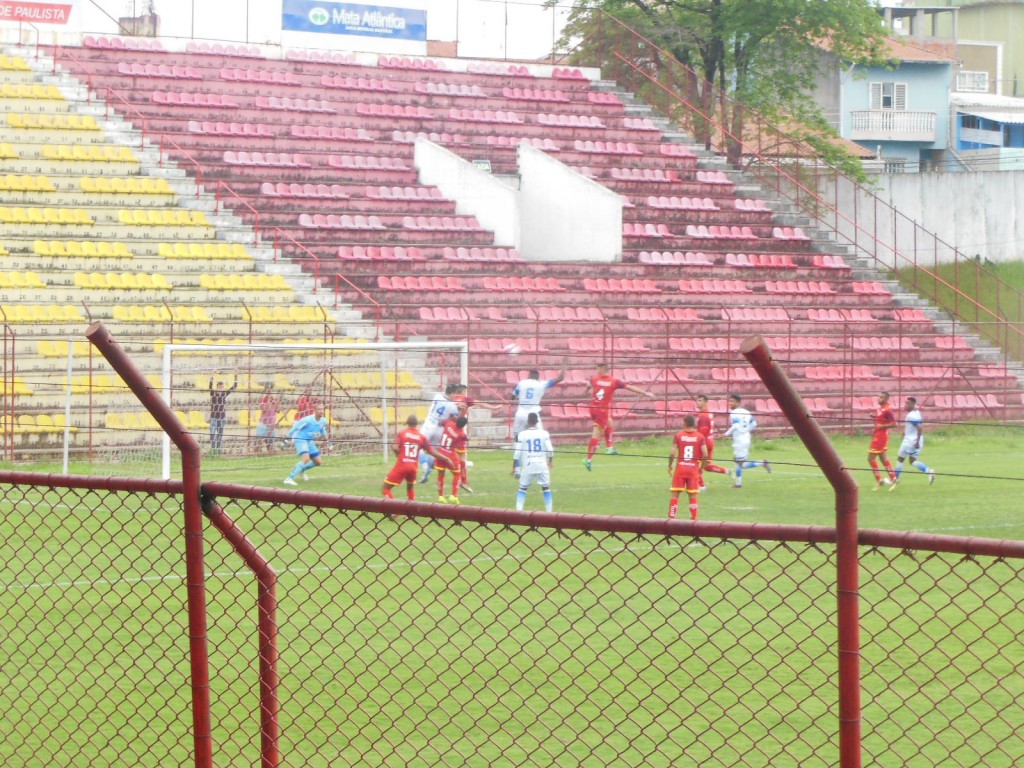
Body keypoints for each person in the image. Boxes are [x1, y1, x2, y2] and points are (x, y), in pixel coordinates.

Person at [583, 362, 654, 470]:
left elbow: (588, 385)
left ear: (603, 370)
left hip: (592, 409)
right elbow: (630, 387)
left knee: (610, 422)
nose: (597, 371)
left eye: (598, 369)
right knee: (596, 435)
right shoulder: (613, 381)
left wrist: (586, 390)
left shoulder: (594, 379)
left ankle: (609, 447)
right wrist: (645, 393)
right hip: (602, 411)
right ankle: (588, 459)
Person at [449, 383, 502, 493]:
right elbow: (480, 403)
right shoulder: (465, 399)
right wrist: (494, 407)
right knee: (462, 457)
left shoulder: (451, 400)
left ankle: (457, 480)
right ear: (463, 391)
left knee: (451, 455)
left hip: (449, 429)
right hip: (458, 431)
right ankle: (463, 481)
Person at [383, 414, 448, 501]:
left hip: (402, 465)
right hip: (413, 467)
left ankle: (396, 510)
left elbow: (395, 448)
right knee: (410, 488)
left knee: (385, 488)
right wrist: (446, 459)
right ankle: (410, 514)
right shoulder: (421, 437)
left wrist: (396, 452)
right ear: (417, 424)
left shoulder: (402, 434)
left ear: (407, 423)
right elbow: (431, 451)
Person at [723, 394, 771, 487]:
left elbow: (736, 426)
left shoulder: (734, 413)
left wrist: (726, 434)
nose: (730, 403)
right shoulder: (746, 412)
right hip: (746, 438)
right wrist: (745, 430)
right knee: (737, 460)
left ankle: (762, 463)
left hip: (740, 441)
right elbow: (754, 423)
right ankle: (738, 483)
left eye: (732, 401)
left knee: (741, 464)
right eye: (729, 401)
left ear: (738, 402)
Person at [511, 359, 567, 439]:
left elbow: (513, 395)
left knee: (517, 438)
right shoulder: (542, 384)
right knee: (541, 437)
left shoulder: (522, 383)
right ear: (538, 377)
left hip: (520, 414)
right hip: (534, 415)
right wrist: (564, 364)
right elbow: (560, 378)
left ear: (529, 376)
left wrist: (512, 401)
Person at [418, 383, 461, 484]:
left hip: (429, 424)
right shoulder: (453, 406)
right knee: (432, 450)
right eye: (455, 394)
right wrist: (460, 410)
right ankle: (427, 471)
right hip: (439, 429)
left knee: (418, 446)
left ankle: (425, 467)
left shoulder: (437, 396)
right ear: (452, 393)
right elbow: (454, 420)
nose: (455, 396)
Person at [668, 414, 708, 520]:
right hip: (693, 470)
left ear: (684, 423)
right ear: (694, 423)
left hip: (680, 469)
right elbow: (705, 455)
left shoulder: (679, 435)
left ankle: (671, 518)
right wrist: (701, 468)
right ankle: (693, 520)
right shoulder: (700, 437)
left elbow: (672, 453)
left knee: (675, 494)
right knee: (693, 495)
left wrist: (670, 466)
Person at [513, 412, 554, 512]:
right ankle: (549, 513)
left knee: (522, 489)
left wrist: (514, 467)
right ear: (537, 421)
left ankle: (518, 511)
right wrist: (550, 461)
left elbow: (517, 453)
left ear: (528, 421)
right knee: (546, 488)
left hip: (529, 465)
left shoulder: (522, 434)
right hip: (542, 464)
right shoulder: (544, 433)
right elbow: (550, 450)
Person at [891, 396, 935, 489]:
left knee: (900, 459)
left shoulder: (910, 415)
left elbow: (919, 427)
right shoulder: (917, 413)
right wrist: (907, 433)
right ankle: (928, 471)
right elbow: (915, 427)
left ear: (912, 404)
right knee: (912, 461)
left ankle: (895, 479)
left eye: (906, 403)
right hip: (917, 441)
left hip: (910, 442)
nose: (905, 405)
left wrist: (916, 441)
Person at [692, 394, 731, 490]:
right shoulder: (708, 413)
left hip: (703, 443)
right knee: (707, 466)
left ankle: (702, 486)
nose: (698, 402)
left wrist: (696, 441)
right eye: (697, 400)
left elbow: (703, 431)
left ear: (706, 402)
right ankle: (727, 471)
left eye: (700, 401)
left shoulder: (703, 416)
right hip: (710, 442)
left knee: (694, 464)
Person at [283, 405, 328, 485]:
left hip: (309, 441)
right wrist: (287, 438)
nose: (321, 411)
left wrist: (327, 441)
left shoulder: (323, 421)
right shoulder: (307, 420)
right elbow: (295, 428)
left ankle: (301, 469)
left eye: (322, 409)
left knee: (318, 462)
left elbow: (322, 430)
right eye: (319, 409)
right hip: (301, 440)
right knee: (306, 459)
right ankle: (289, 478)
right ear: (315, 410)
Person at [868, 390, 898, 490]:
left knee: (871, 458)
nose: (878, 399)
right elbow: (882, 419)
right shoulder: (881, 408)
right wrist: (875, 416)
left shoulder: (888, 409)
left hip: (880, 437)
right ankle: (893, 479)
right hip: (879, 435)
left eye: (880, 397)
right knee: (883, 458)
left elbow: (894, 424)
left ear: (885, 399)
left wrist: (882, 426)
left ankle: (879, 480)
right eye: (878, 397)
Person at [435, 415, 469, 504]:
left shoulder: (449, 423)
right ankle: (453, 495)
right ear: (463, 426)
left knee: (441, 474)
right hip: (450, 454)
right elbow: (466, 439)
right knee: (457, 473)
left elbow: (441, 422)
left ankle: (441, 496)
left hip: (440, 452)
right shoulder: (461, 434)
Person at [208, 372, 238, 455]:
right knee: (212, 434)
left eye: (222, 387)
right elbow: (210, 386)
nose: (221, 388)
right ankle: (213, 449)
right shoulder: (213, 393)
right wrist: (212, 375)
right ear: (217, 387)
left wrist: (236, 374)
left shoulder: (224, 394)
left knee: (220, 435)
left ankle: (218, 450)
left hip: (221, 416)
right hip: (214, 416)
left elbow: (234, 387)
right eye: (220, 386)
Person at [255, 384, 283, 454]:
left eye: (270, 389)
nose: (269, 391)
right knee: (259, 442)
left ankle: (270, 452)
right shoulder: (263, 399)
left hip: (271, 424)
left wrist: (275, 402)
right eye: (268, 389)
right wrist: (270, 402)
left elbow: (279, 410)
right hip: (263, 424)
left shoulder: (275, 399)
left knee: (270, 444)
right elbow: (263, 408)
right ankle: (256, 452)